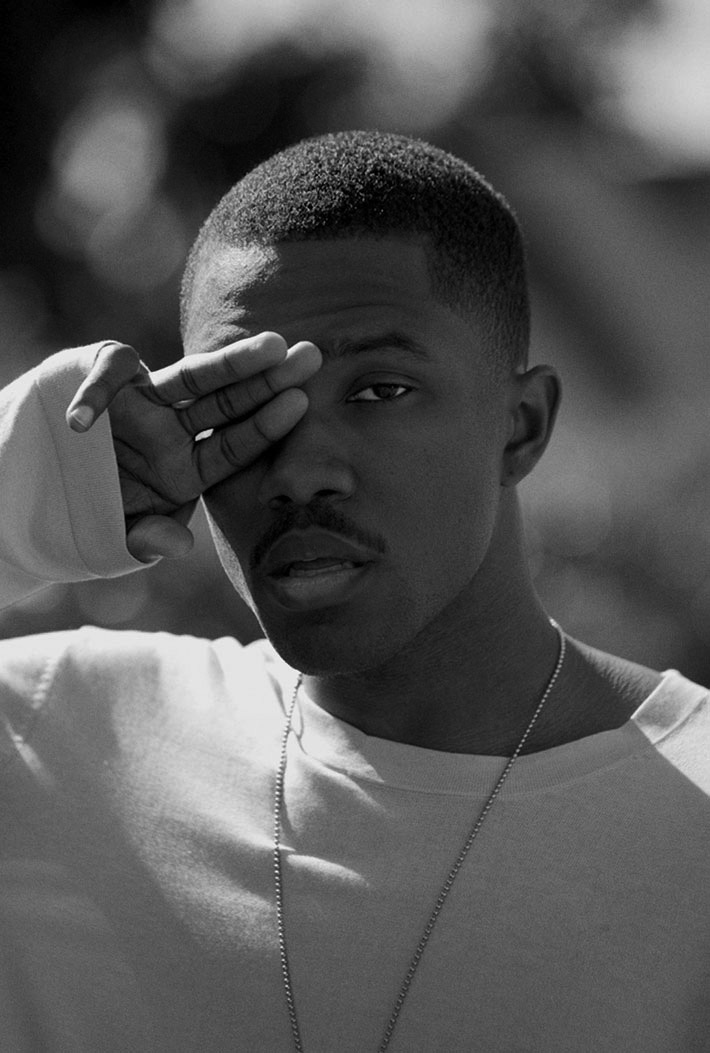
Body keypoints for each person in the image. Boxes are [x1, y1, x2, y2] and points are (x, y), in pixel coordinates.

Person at [0, 130, 708, 1053]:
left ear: (522, 426)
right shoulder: (57, 733)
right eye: (250, 406)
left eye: (378, 390)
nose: (301, 471)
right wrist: (14, 498)